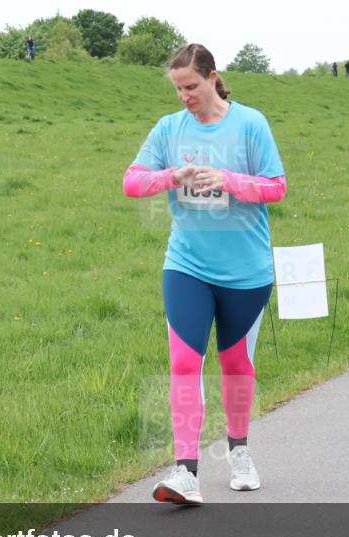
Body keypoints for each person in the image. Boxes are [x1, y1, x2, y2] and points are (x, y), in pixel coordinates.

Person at [122, 43, 287, 505]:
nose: (184, 96)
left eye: (191, 86)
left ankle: (239, 452)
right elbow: (132, 180)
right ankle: (185, 471)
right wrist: (171, 177)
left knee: (235, 365)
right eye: (177, 88)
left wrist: (227, 180)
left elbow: (277, 186)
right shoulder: (169, 129)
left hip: (246, 272)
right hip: (187, 265)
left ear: (213, 77)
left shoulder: (250, 124)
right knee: (183, 363)